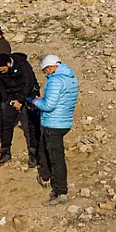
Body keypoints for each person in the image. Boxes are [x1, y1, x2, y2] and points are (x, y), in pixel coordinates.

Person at [30, 55, 80, 205]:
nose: (46, 74)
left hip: (53, 124)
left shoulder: (55, 81)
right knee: (47, 151)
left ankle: (60, 192)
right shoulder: (71, 78)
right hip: (64, 122)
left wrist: (34, 100)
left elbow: (48, 105)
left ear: (50, 67)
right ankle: (47, 177)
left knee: (56, 159)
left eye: (45, 70)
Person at [0, 52, 40, 168]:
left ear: (8, 64)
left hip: (28, 94)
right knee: (7, 124)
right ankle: (5, 152)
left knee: (32, 125)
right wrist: (10, 101)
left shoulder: (23, 66)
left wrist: (20, 100)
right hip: (12, 96)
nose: (1, 72)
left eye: (2, 69)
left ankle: (34, 154)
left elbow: (27, 84)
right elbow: (2, 89)